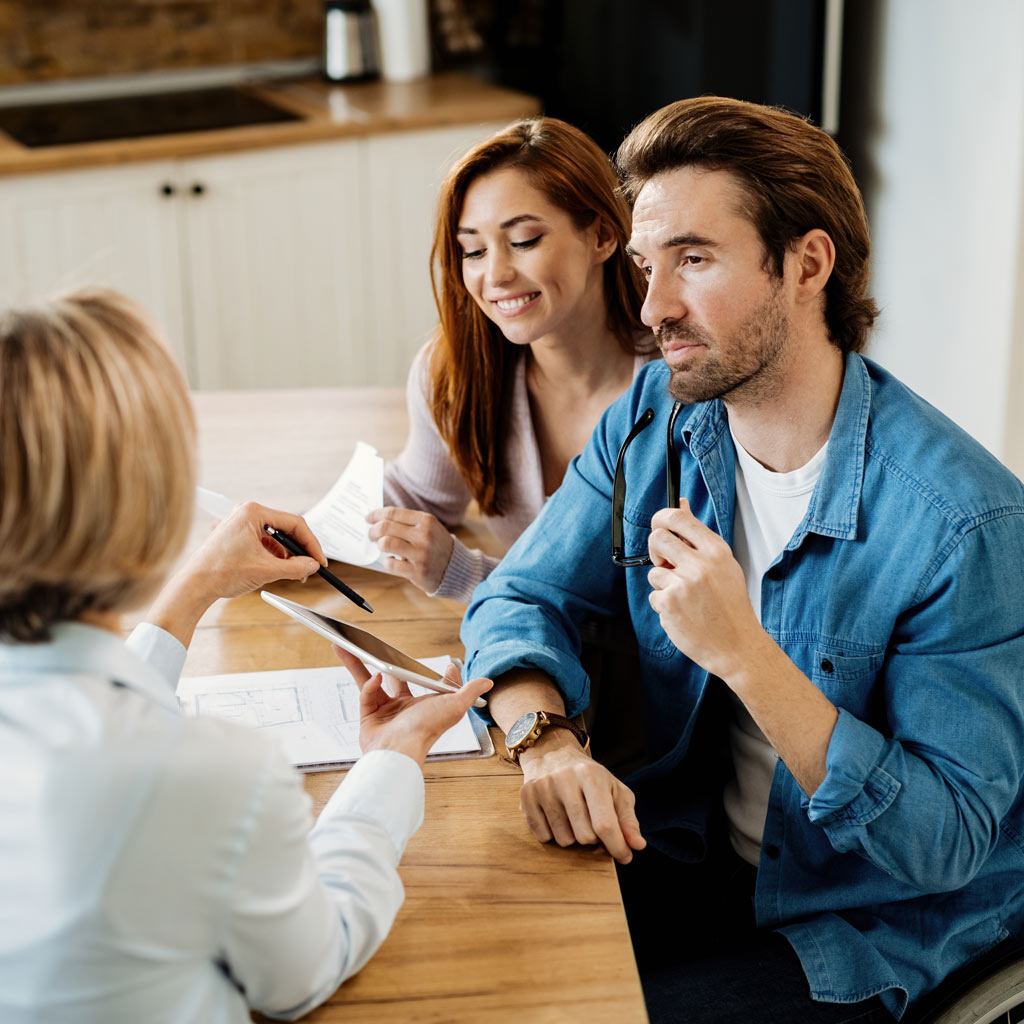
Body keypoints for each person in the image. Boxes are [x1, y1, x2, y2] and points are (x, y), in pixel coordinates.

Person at [459, 96, 1024, 1022]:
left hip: (867, 923)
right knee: (477, 969)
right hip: (695, 852)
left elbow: (945, 839)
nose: (652, 307)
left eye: (694, 259)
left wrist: (747, 656)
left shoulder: (965, 524)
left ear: (807, 263)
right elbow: (519, 596)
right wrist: (543, 739)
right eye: (647, 266)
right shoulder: (653, 421)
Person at [0, 288, 491, 1023]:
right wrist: (390, 762)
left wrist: (195, 589)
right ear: (152, 516)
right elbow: (301, 974)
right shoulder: (207, 776)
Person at [367, 116, 656, 601]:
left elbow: (633, 612)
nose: (495, 275)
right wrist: (297, 537)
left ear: (603, 235)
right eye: (473, 250)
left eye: (523, 241)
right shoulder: (456, 373)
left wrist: (462, 571)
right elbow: (419, 496)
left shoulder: (677, 384)